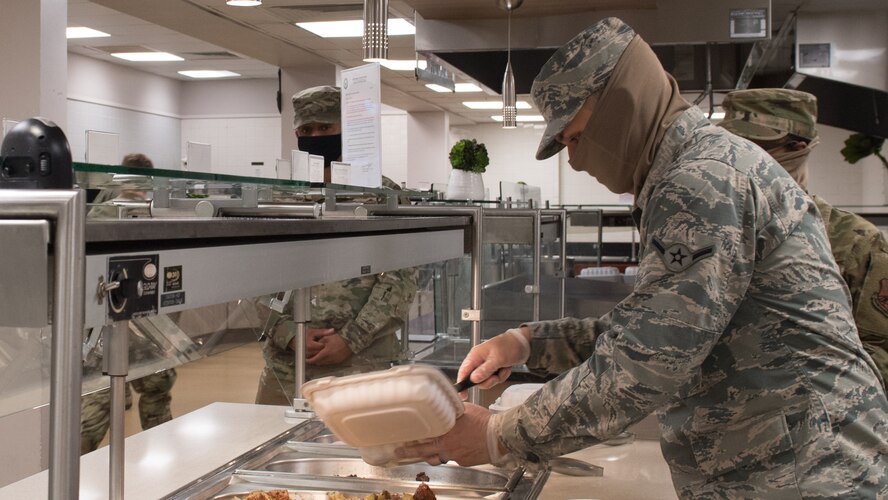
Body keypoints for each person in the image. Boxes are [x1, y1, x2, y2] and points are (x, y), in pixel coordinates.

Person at [397, 17, 888, 498]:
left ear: (618, 104)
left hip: (802, 472)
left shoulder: (698, 181)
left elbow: (647, 359)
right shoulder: (696, 165)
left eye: (573, 136)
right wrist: (525, 343)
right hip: (782, 463)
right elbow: (648, 326)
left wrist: (496, 433)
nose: (575, 159)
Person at [255, 86, 417, 405]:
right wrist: (289, 334)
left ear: (346, 131)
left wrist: (351, 338)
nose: (315, 136)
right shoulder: (280, 196)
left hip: (364, 364)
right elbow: (254, 273)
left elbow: (402, 278)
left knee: (361, 453)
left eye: (326, 128)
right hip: (286, 368)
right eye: (306, 130)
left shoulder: (382, 194)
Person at [719, 88, 888, 390]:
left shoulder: (853, 241)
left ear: (797, 149)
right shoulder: (716, 234)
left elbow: (880, 352)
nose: (734, 163)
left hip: (820, 425)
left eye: (751, 148)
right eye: (729, 149)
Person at [81, 153, 178, 453]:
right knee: (98, 402)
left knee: (158, 382)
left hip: (135, 321)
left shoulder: (144, 211)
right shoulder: (108, 212)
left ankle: (161, 450)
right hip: (103, 324)